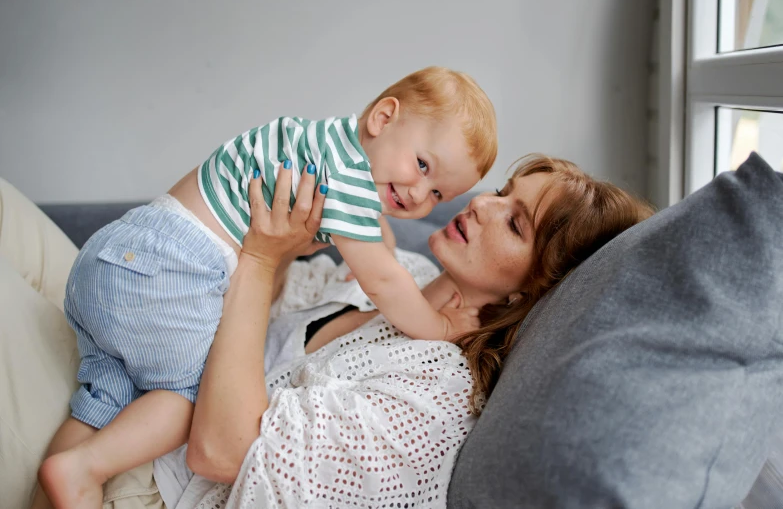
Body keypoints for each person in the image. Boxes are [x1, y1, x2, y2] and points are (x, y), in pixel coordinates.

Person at [36, 67, 497, 509]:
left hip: (119, 253)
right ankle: (86, 469)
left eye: (438, 194)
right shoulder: (351, 185)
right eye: (422, 166)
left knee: (100, 399)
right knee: (188, 397)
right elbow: (382, 279)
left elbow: (370, 235)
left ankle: (62, 471)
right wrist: (436, 325)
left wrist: (382, 239)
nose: (419, 194)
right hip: (172, 274)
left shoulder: (326, 145)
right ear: (382, 118)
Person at [176, 154, 654, 508]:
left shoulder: (438, 391)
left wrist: (259, 258)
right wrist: (287, 245)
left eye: (514, 223)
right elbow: (256, 313)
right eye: (503, 190)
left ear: (531, 290)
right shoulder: (402, 273)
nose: (484, 202)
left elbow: (221, 452)